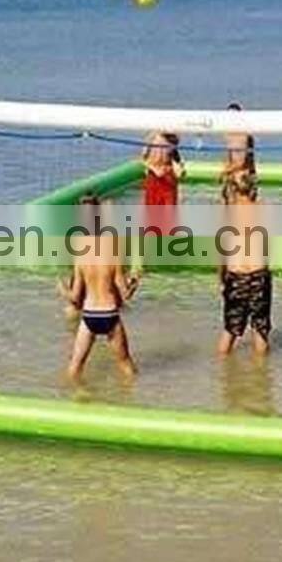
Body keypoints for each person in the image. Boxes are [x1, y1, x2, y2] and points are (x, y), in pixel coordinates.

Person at [64, 196, 140, 380]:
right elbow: (125, 294)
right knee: (126, 364)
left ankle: (75, 395)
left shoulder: (80, 255)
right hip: (109, 314)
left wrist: (62, 289)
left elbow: (75, 298)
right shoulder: (112, 252)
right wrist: (134, 281)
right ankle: (133, 394)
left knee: (75, 367)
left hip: (89, 314)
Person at [217, 172, 272, 358]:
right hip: (259, 273)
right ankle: (262, 372)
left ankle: (222, 370)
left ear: (233, 189)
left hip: (236, 274)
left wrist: (220, 277)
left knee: (230, 330)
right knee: (260, 328)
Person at [219, 102, 256, 204]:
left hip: (242, 178)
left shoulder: (243, 135)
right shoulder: (228, 133)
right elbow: (229, 156)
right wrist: (225, 172)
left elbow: (242, 162)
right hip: (233, 177)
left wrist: (224, 172)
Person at [142, 131, 184, 205]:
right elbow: (144, 159)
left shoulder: (153, 139)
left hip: (163, 177)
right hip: (160, 177)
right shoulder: (153, 139)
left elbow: (144, 159)